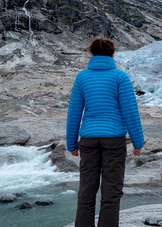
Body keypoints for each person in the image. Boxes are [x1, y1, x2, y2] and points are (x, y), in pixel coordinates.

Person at [66, 37, 144, 227]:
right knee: (111, 192)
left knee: (86, 190)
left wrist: (71, 143)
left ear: (91, 53)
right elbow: (130, 112)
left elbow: (74, 112)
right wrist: (138, 142)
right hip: (114, 141)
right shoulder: (120, 77)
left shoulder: (82, 77)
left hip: (88, 141)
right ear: (112, 54)